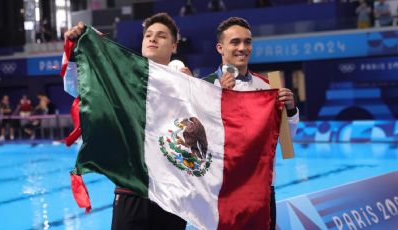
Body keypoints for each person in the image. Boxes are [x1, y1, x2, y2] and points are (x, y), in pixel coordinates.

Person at [64, 12, 191, 230]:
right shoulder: (121, 78)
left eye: (161, 36)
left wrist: (184, 81)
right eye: (148, 35)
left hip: (173, 196)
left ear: (174, 46)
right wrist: (76, 48)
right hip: (130, 191)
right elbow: (77, 86)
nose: (152, 39)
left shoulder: (187, 83)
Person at [202, 17, 299, 230]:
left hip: (261, 190)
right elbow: (195, 142)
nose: (243, 48)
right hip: (220, 190)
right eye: (235, 42)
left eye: (248, 42)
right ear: (220, 47)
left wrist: (290, 110)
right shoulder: (203, 87)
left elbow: (285, 142)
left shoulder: (267, 86)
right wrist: (217, 98)